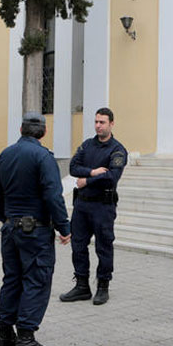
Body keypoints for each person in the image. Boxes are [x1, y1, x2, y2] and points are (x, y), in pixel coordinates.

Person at [0, 112, 71, 346]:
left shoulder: (5, 154)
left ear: (21, 129)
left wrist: (5, 218)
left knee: (12, 280)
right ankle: (25, 339)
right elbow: (52, 195)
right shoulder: (43, 156)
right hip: (35, 231)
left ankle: (5, 336)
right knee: (36, 279)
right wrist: (64, 227)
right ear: (44, 132)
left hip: (11, 229)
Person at [59, 108, 127, 306]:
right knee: (78, 245)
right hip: (82, 205)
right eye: (96, 122)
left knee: (103, 247)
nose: (98, 126)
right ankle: (81, 286)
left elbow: (112, 176)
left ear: (111, 124)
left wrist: (87, 180)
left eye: (102, 122)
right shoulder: (87, 145)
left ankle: (103, 287)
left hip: (102, 206)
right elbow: (73, 168)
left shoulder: (117, 150)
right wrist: (94, 171)